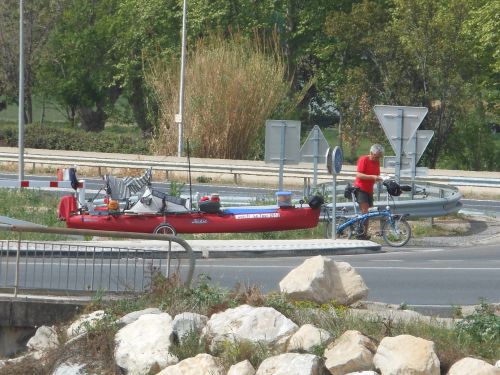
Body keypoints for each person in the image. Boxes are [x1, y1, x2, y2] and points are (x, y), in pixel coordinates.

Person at [353, 143, 384, 239]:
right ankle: (360, 233)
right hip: (360, 189)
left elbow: (376, 175)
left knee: (368, 213)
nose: (377, 159)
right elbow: (359, 175)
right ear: (371, 153)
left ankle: (364, 233)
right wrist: (372, 177)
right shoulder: (364, 160)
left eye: (379, 158)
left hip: (369, 190)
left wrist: (380, 178)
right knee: (365, 211)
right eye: (375, 157)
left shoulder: (377, 162)